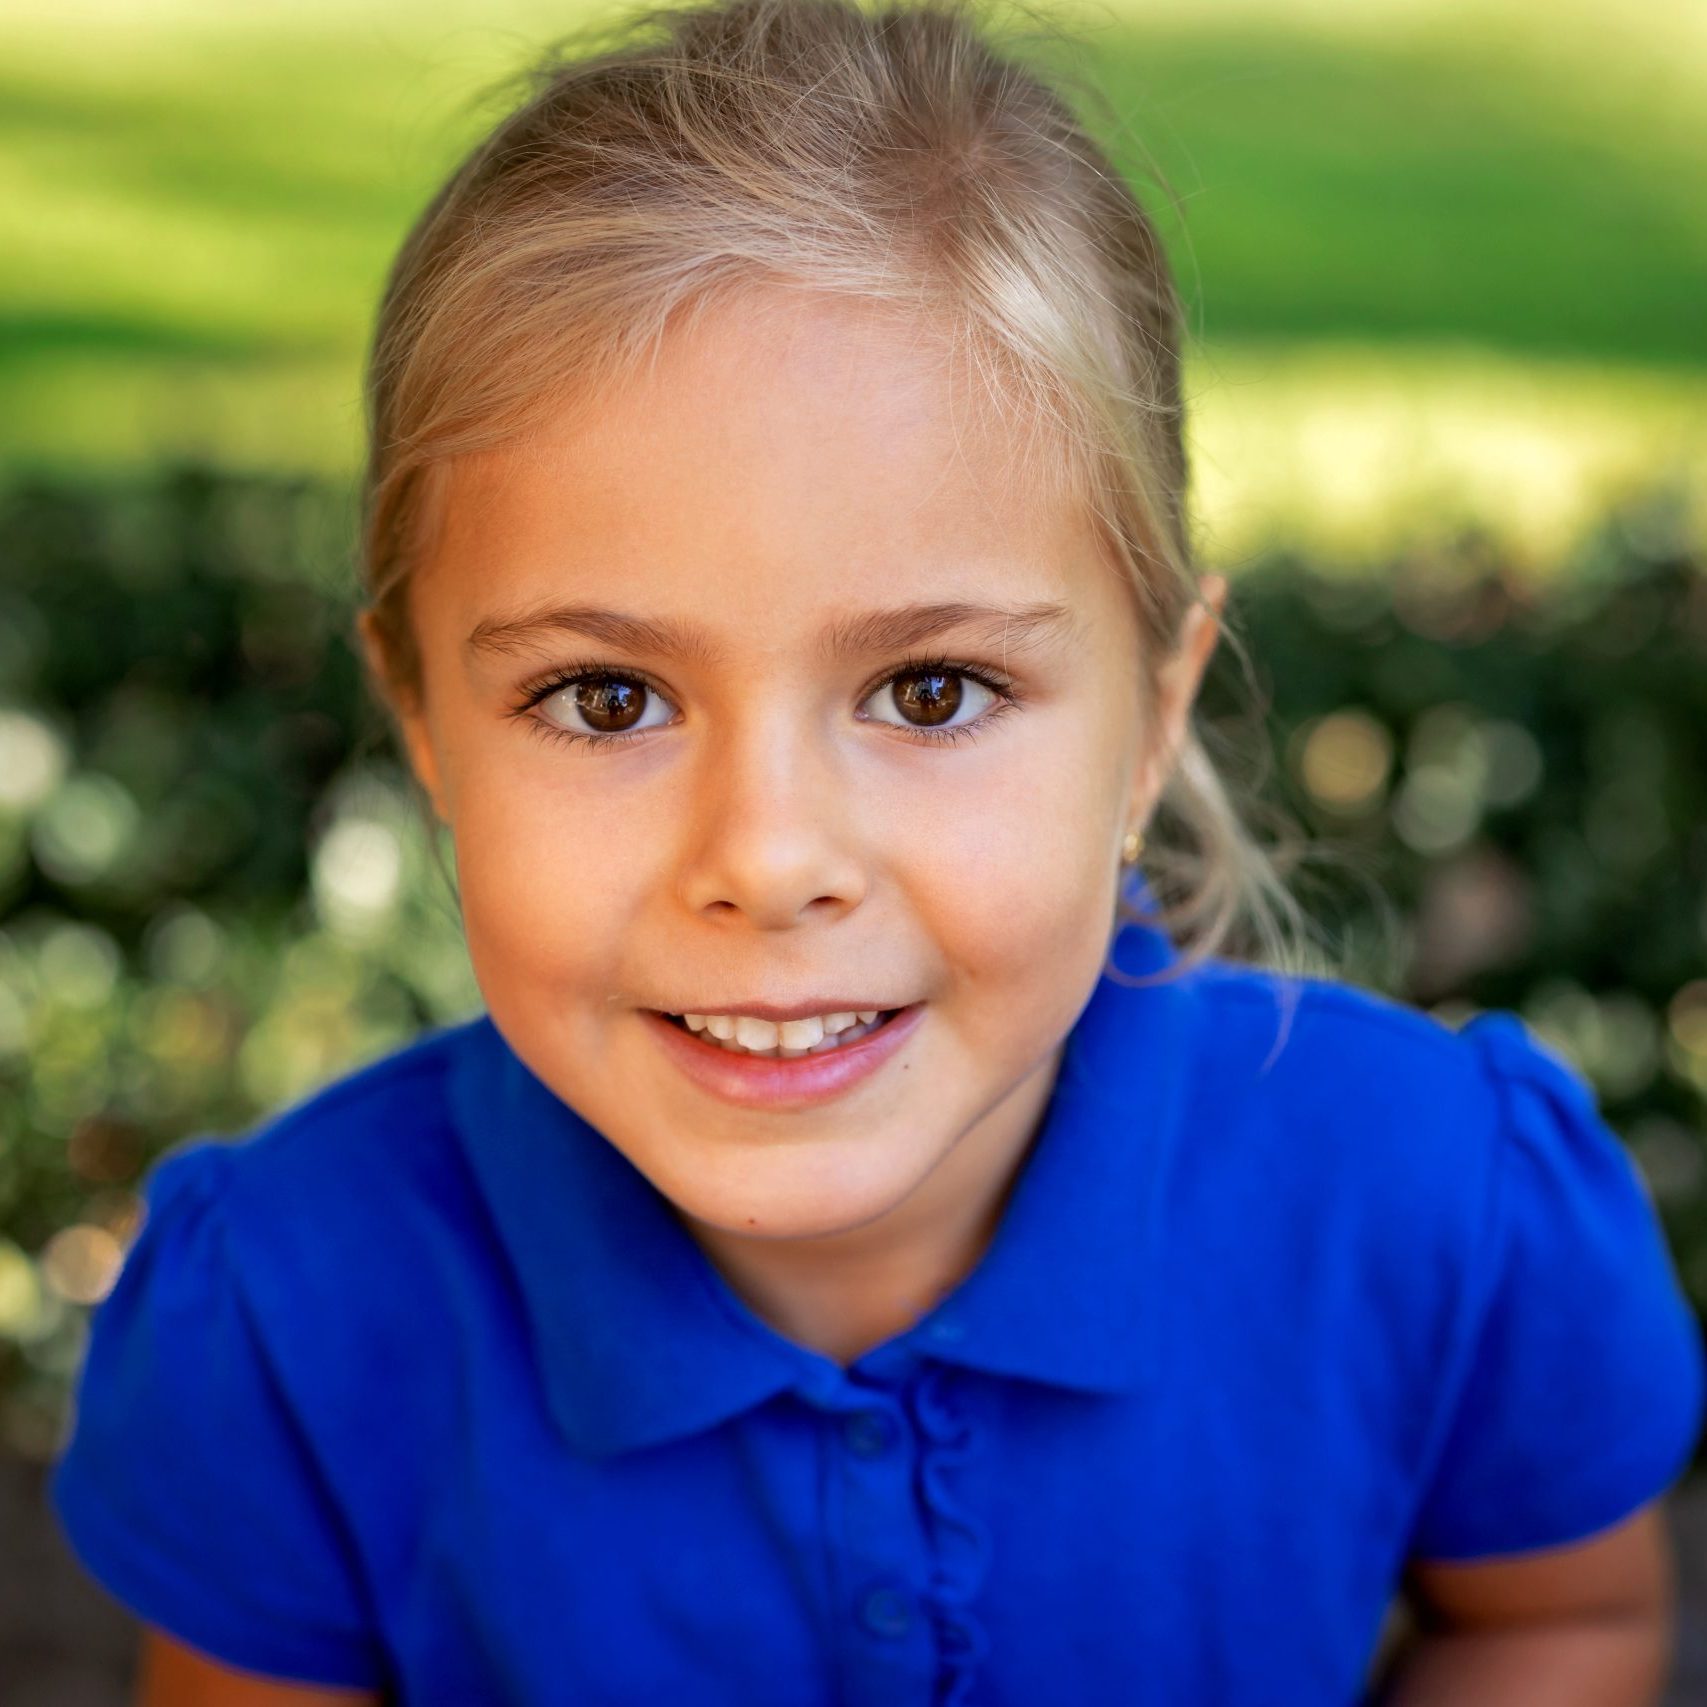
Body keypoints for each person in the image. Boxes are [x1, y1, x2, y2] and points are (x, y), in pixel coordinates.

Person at [48, 0, 1706, 1702]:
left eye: (932, 689)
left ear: (1151, 718)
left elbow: (1559, 1619)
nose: (769, 858)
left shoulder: (1441, 1210)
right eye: (608, 699)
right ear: (421, 720)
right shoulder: (290, 1317)